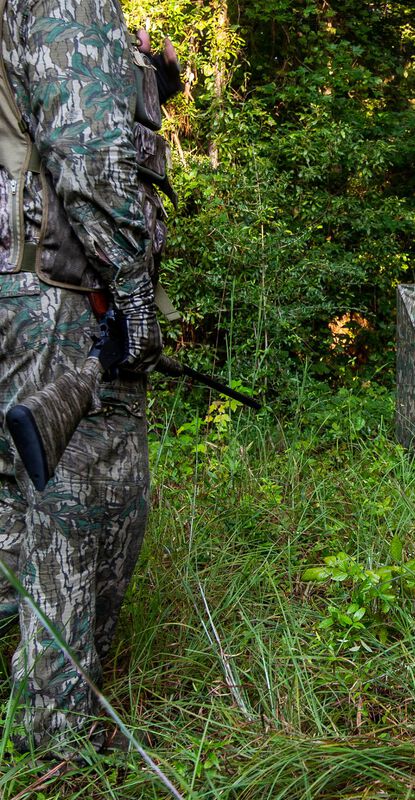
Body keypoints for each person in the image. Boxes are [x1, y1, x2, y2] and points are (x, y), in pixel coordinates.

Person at [0, 0, 175, 760]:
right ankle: (57, 741)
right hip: (61, 286)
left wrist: (146, 82)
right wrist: (134, 285)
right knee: (79, 491)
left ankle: (22, 701)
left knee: (17, 491)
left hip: (19, 279)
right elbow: (87, 146)